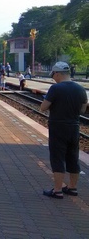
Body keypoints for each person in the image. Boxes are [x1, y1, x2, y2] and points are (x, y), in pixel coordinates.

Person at [41, 62, 88, 199]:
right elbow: (82, 110)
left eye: (53, 75)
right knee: (73, 157)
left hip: (58, 127)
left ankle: (57, 190)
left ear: (57, 73)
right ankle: (72, 188)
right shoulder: (80, 89)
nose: (53, 78)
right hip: (74, 127)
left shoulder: (56, 88)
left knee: (58, 158)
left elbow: (43, 107)